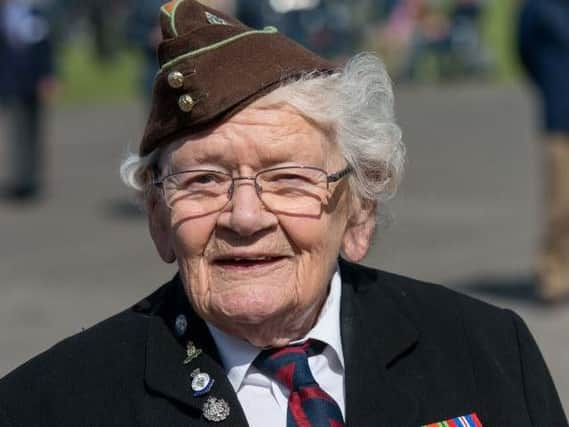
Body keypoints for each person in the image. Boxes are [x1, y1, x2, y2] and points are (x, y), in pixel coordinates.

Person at [0, 1, 567, 425]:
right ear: (157, 215)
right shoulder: (47, 405)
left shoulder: (489, 353)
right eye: (203, 180)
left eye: (288, 179)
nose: (245, 217)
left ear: (359, 211)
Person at [518, 0, 569, 304]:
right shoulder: (541, 7)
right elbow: (524, 50)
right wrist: (552, 85)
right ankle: (554, 272)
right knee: (561, 203)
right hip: (561, 115)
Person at [0, 0, 56, 201]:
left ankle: (32, 178)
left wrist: (48, 75)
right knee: (16, 131)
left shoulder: (35, 14)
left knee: (34, 131)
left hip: (34, 82)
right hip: (10, 83)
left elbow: (46, 47)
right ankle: (20, 179)